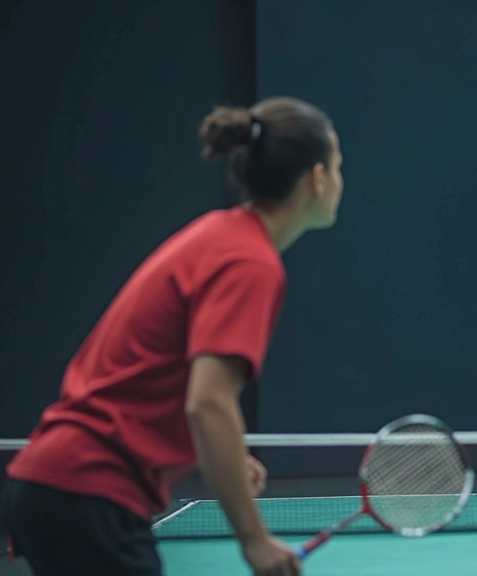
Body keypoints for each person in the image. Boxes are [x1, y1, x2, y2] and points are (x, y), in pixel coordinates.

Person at [0, 96, 344, 575]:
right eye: (339, 164)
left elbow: (165, 379)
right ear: (317, 177)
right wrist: (255, 540)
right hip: (90, 496)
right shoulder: (251, 264)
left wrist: (223, 457)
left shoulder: (220, 234)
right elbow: (207, 404)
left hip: (55, 487)